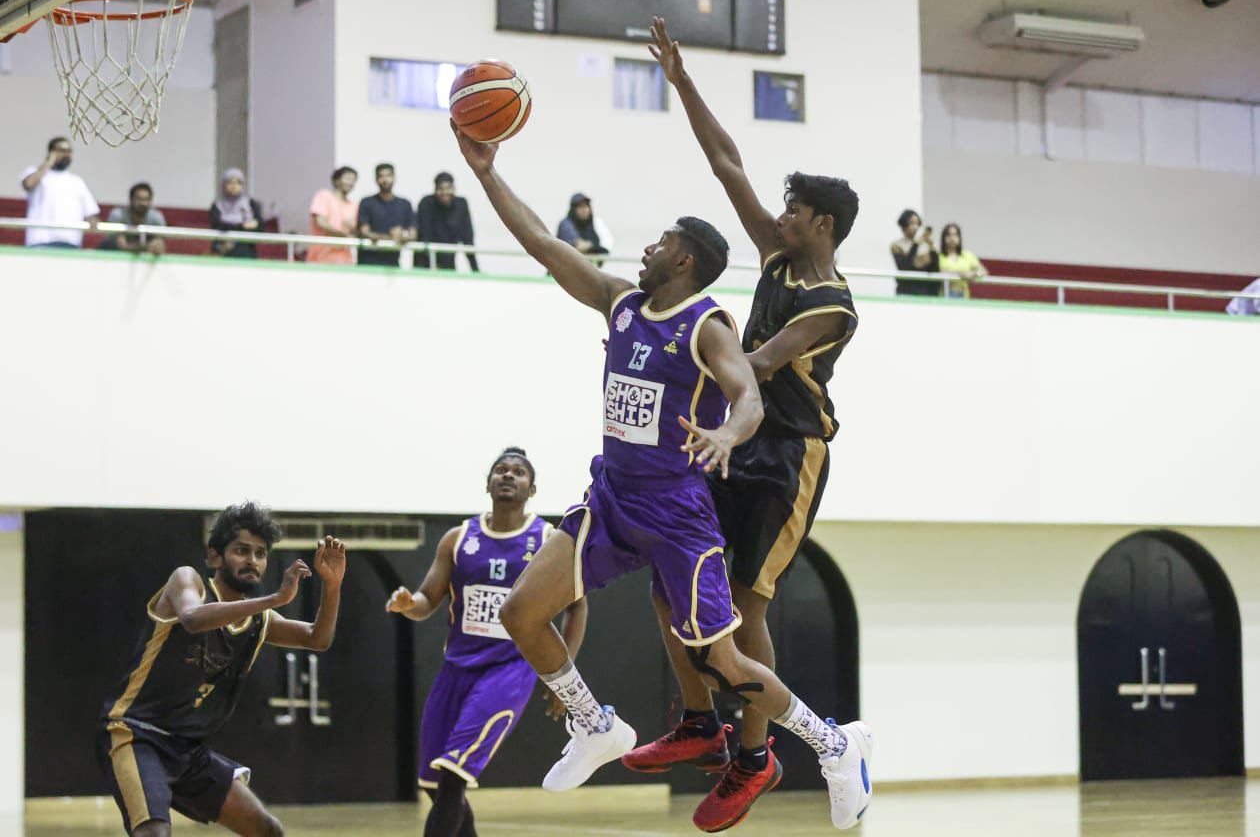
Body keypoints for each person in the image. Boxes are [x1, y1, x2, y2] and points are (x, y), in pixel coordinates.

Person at [453, 114, 871, 833]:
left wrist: (727, 432)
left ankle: (827, 746)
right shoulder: (623, 302)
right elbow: (545, 244)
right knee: (522, 612)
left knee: (731, 642)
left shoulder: (715, 324)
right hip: (615, 497)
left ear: (682, 261)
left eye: (660, 242)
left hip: (723, 485)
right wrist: (487, 173)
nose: (645, 247)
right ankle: (601, 725)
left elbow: (751, 386)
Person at [621, 17, 871, 832]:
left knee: (743, 608)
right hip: (733, 436)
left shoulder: (833, 306)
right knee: (672, 580)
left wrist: (685, 349)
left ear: (822, 225)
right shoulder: (775, 256)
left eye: (794, 210)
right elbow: (726, 162)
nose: (780, 216)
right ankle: (699, 721)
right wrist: (682, 81)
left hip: (787, 455)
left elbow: (757, 364)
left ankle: (755, 756)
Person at [96, 502, 347, 836]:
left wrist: (332, 586)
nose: (252, 560)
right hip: (136, 733)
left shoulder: (258, 620)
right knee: (153, 832)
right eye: (242, 551)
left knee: (267, 830)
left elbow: (318, 638)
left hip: (189, 749)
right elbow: (192, 618)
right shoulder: (188, 581)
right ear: (215, 557)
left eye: (260, 554)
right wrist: (274, 599)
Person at [387, 448, 586, 837]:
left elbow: (577, 606)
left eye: (519, 472)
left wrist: (563, 677)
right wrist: (410, 604)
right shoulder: (458, 538)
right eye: (501, 470)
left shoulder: (547, 540)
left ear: (532, 489)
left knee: (454, 775)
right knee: (436, 783)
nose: (508, 475)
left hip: (509, 671)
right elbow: (427, 599)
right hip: (456, 669)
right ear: (488, 483)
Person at [20, 136, 99, 248]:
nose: (66, 155)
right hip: (40, 242)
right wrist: (48, 163)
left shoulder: (77, 181)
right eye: (62, 151)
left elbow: (90, 213)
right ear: (51, 152)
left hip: (71, 244)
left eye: (69, 151)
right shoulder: (35, 172)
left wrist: (94, 223)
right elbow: (29, 184)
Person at [415, 172, 479, 272]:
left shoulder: (461, 204)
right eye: (440, 189)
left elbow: (468, 238)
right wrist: (433, 265)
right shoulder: (426, 203)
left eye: (448, 188)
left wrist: (475, 270)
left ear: (454, 188)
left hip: (449, 262)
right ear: (435, 190)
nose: (445, 192)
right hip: (425, 263)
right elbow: (425, 236)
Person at [357, 162, 416, 267]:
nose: (385, 180)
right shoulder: (367, 202)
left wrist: (401, 237)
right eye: (381, 176)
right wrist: (390, 237)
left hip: (393, 264)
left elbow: (413, 235)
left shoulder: (405, 204)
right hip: (367, 262)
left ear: (394, 177)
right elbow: (365, 232)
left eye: (388, 175)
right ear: (376, 179)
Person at [307, 166, 359, 265]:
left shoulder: (353, 206)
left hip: (345, 260)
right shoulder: (324, 196)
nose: (350, 183)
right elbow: (321, 222)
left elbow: (355, 232)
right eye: (348, 178)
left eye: (353, 180)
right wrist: (343, 235)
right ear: (336, 180)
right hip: (320, 258)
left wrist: (353, 230)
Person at [209, 169, 264, 258]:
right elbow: (218, 226)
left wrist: (234, 227)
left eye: (238, 183)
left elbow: (260, 227)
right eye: (230, 182)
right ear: (224, 185)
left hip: (246, 250)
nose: (234, 186)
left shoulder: (250, 204)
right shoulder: (217, 205)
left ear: (242, 185)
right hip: (223, 249)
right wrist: (243, 226)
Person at [99, 182, 166, 255]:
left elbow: (159, 243)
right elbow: (122, 246)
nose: (143, 203)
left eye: (146, 199)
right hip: (112, 254)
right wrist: (145, 247)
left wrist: (156, 246)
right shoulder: (118, 215)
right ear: (131, 200)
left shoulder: (156, 218)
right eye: (139, 199)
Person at [890, 208, 939, 296]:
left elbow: (934, 269)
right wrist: (915, 246)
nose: (915, 227)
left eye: (917, 223)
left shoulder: (925, 245)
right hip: (906, 290)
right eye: (912, 223)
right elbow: (905, 267)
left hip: (925, 290)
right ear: (904, 224)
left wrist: (932, 248)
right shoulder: (897, 245)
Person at [557, 193, 613, 266]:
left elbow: (607, 244)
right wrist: (595, 247)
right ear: (573, 209)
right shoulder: (566, 224)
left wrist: (596, 248)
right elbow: (580, 246)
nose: (585, 210)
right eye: (580, 207)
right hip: (563, 269)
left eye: (586, 206)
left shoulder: (592, 224)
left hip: (584, 268)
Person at [937, 222, 988, 299]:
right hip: (944, 298)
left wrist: (974, 273)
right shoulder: (938, 256)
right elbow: (939, 272)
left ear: (959, 238)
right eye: (948, 235)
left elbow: (983, 271)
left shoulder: (967, 255)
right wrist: (961, 274)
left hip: (963, 298)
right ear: (943, 238)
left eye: (955, 235)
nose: (952, 238)